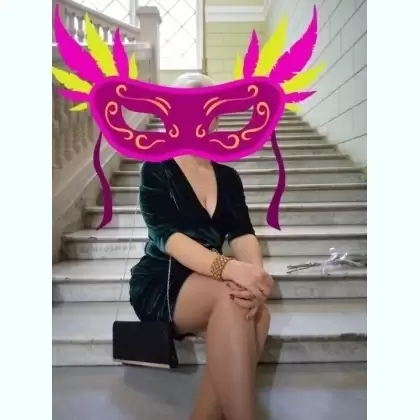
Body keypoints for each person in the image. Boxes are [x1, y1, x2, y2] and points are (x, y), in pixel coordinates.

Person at [129, 72, 275, 420]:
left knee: (257, 313)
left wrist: (254, 280)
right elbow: (167, 237)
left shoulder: (228, 177)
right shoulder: (156, 168)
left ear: (217, 116)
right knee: (230, 297)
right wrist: (231, 269)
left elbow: (242, 233)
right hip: (161, 280)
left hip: (209, 278)